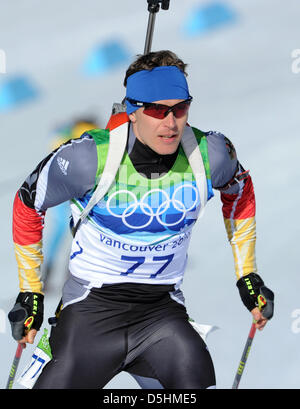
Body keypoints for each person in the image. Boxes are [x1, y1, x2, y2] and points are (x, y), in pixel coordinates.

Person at [8, 50, 274, 389]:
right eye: (158, 110)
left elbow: (240, 191)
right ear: (133, 110)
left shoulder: (210, 154)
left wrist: (246, 274)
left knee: (194, 376)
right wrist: (31, 291)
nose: (172, 122)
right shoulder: (88, 158)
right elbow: (28, 203)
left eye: (181, 108)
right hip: (90, 315)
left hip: (161, 315)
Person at [42, 117, 99, 291]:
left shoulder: (66, 133)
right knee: (78, 232)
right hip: (78, 189)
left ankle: (47, 276)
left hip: (61, 187)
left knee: (61, 233)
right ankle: (71, 275)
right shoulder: (90, 131)